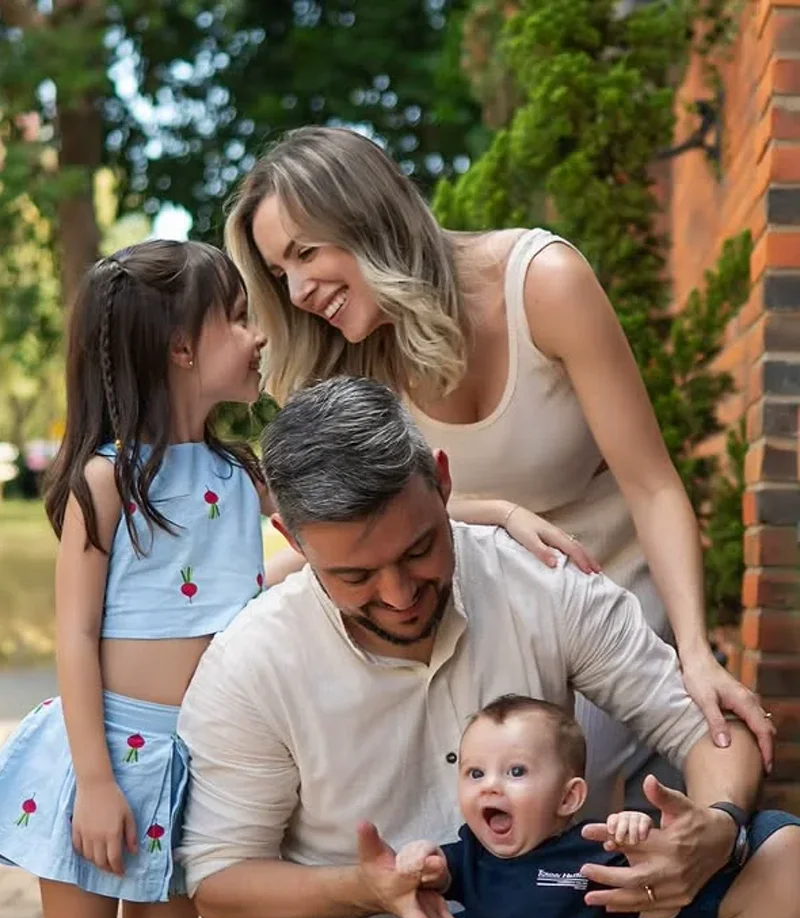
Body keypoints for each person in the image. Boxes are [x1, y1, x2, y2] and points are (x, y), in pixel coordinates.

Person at [177, 377, 800, 918]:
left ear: (442, 482)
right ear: (291, 538)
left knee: (786, 864)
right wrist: (364, 886)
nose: (399, 593)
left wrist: (712, 827)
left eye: (418, 550)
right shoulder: (251, 662)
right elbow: (221, 884)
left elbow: (708, 727)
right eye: (356, 575)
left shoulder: (543, 583)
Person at [223, 124, 773, 816]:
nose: (299, 289)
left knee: (535, 791)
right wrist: (498, 513)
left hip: (604, 600)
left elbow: (653, 483)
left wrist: (695, 651)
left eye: (306, 252)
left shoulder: (543, 284)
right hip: (464, 606)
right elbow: (357, 528)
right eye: (280, 273)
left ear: (369, 217)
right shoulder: (347, 355)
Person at [0, 240, 267, 918]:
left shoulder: (242, 476)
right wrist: (96, 782)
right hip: (104, 757)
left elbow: (349, 527)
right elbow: (75, 639)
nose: (259, 335)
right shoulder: (105, 483)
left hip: (196, 768)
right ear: (182, 346)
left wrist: (495, 514)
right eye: (239, 316)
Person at [395, 694, 668, 918]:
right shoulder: (473, 857)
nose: (490, 786)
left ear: (569, 797)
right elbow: (437, 867)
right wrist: (418, 856)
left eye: (516, 772)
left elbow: (657, 901)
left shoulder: (595, 856)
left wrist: (636, 838)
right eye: (475, 773)